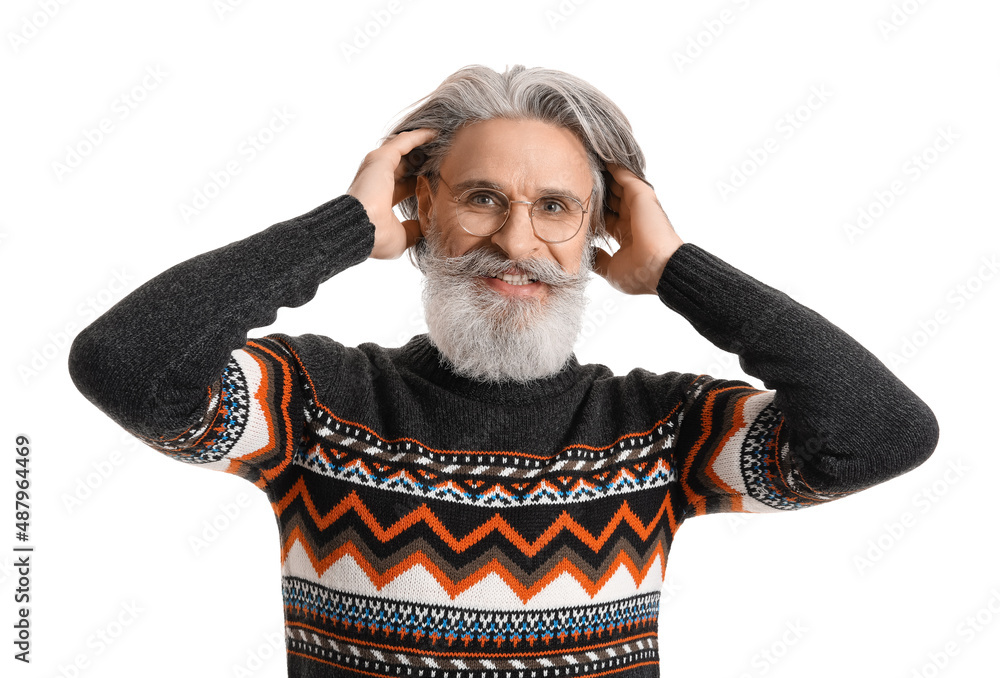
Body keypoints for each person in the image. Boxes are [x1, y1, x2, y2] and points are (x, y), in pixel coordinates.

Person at [68, 64, 939, 677]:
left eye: (556, 207)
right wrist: (343, 226)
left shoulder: (661, 431)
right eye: (482, 198)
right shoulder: (318, 405)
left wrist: (680, 270)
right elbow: (128, 366)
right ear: (421, 204)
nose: (518, 243)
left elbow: (880, 436)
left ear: (601, 231)